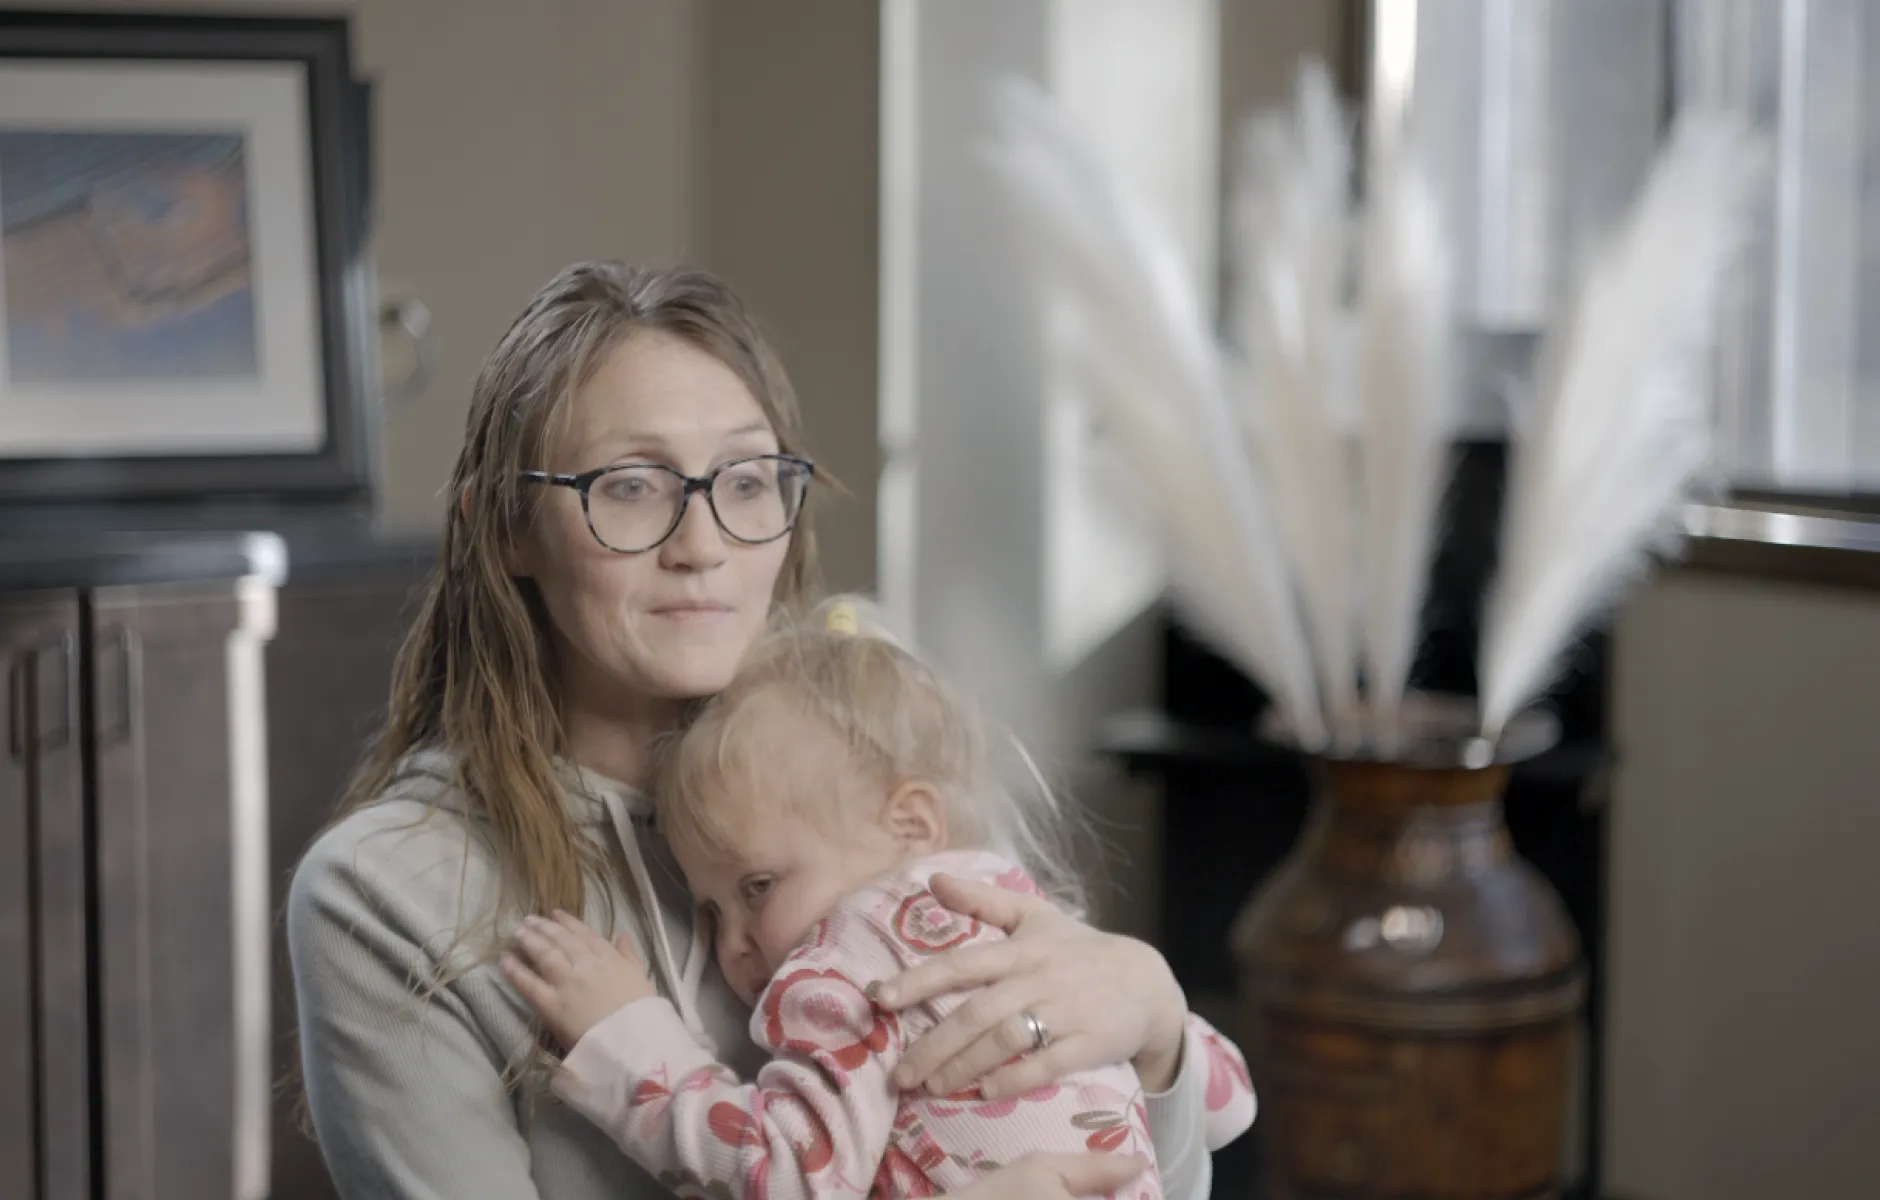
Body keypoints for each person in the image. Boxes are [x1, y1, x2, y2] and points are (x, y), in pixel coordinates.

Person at [288, 262, 1236, 1200]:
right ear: (505, 527)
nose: (701, 545)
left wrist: (1154, 1023)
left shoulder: (862, 765)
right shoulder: (387, 893)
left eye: (745, 480)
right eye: (628, 485)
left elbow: (1142, 1169)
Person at [499, 598, 1256, 1198]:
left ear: (911, 824)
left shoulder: (848, 961)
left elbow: (793, 1175)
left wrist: (627, 1040)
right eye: (710, 910)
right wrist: (1161, 1020)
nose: (735, 941)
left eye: (758, 887)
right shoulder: (1025, 917)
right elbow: (1229, 1105)